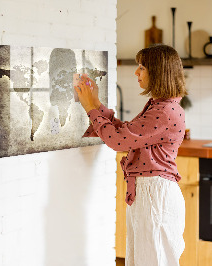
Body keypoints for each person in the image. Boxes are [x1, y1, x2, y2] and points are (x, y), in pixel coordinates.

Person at [75, 44, 187, 266]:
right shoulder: (160, 106)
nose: (136, 72)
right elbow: (126, 133)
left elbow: (118, 141)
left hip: (155, 195)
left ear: (158, 72)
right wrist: (96, 104)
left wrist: (90, 108)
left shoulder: (164, 111)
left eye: (142, 67)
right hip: (150, 193)